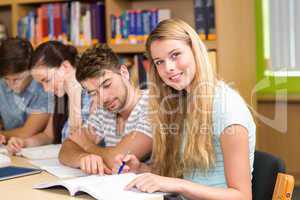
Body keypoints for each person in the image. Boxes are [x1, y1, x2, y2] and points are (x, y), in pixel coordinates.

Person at [115, 19, 256, 200]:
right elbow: (190, 176)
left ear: (194, 51)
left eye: (175, 55)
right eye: (159, 62)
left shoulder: (227, 107)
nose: (169, 68)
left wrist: (180, 185)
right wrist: (141, 169)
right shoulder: (181, 101)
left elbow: (242, 196)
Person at [58, 44, 153, 175]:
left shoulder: (152, 105)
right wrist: (82, 158)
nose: (103, 98)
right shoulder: (104, 110)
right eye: (93, 93)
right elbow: (66, 147)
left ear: (124, 73)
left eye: (107, 85)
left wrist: (87, 146)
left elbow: (117, 159)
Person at [6, 41, 88, 154]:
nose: (46, 89)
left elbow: (78, 141)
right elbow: (48, 136)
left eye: (47, 80)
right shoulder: (61, 95)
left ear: (65, 66)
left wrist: (74, 95)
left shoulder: (91, 93)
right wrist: (24, 143)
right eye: (41, 84)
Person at [0, 38, 52, 146]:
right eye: (6, 79)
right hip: (7, 149)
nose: (11, 85)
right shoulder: (2, 84)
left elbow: (26, 133)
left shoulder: (45, 88)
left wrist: (2, 134)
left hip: (35, 149)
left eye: (17, 79)